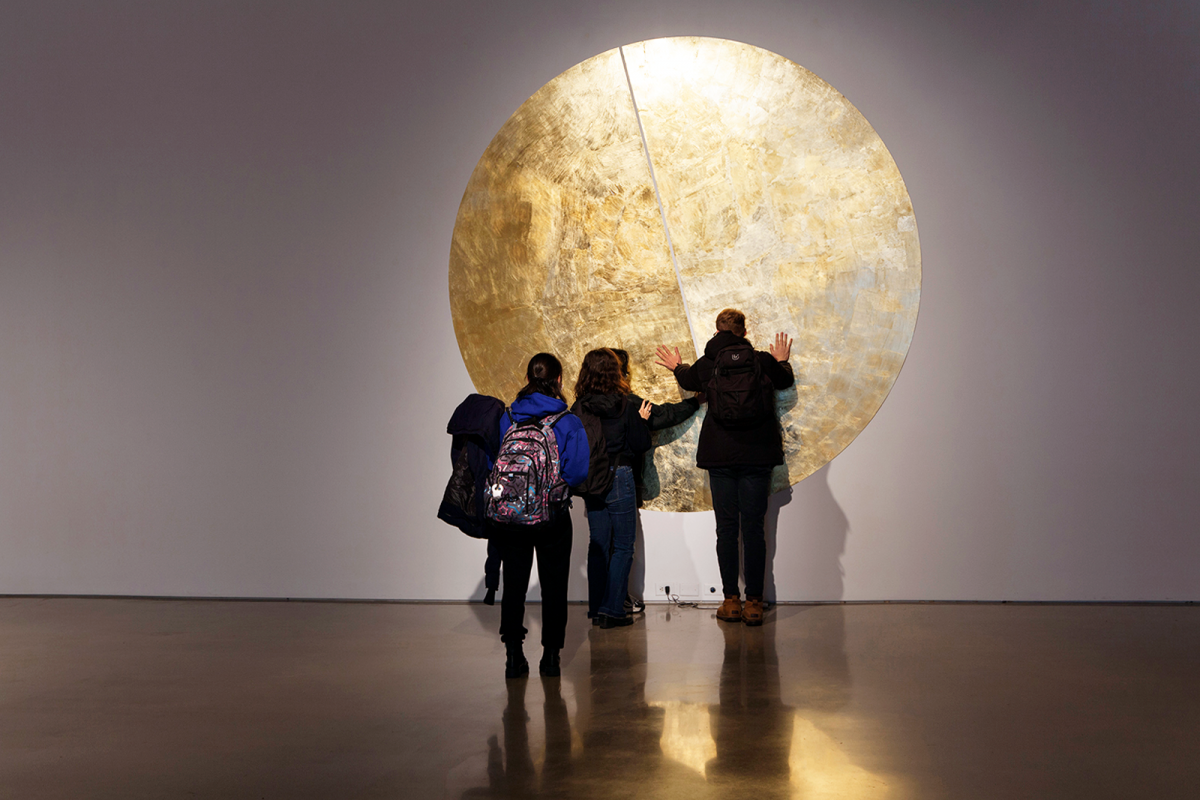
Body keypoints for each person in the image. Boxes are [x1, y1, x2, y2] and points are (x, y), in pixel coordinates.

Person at [655, 309, 793, 626]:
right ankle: (755, 603)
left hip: (720, 455)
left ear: (717, 331)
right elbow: (785, 380)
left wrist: (677, 366)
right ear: (744, 333)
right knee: (754, 529)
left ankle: (731, 601)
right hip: (757, 455)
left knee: (727, 529)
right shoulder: (760, 361)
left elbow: (690, 381)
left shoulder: (710, 362)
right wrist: (782, 360)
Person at [490, 353, 588, 678]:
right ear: (559, 380)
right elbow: (577, 472)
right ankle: (551, 658)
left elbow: (498, 463)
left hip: (511, 516)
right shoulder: (568, 422)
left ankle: (514, 656)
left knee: (514, 584)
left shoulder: (508, 417)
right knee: (554, 586)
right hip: (553, 516)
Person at [572, 349, 653, 628]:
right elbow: (640, 444)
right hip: (619, 475)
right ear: (615, 372)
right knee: (622, 546)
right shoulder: (624, 404)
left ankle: (597, 609)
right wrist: (641, 422)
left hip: (592, 481)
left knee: (598, 544)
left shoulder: (579, 407)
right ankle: (613, 610)